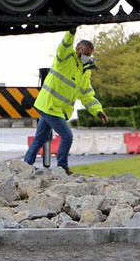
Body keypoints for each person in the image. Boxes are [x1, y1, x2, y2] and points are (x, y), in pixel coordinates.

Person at [24, 28, 108, 174]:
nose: (87, 57)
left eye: (89, 55)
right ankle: (62, 167)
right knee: (67, 136)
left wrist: (98, 111)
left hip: (54, 108)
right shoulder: (64, 59)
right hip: (50, 106)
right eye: (85, 54)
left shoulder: (84, 70)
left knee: (40, 138)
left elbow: (87, 94)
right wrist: (71, 32)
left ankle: (25, 166)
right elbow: (64, 45)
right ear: (78, 49)